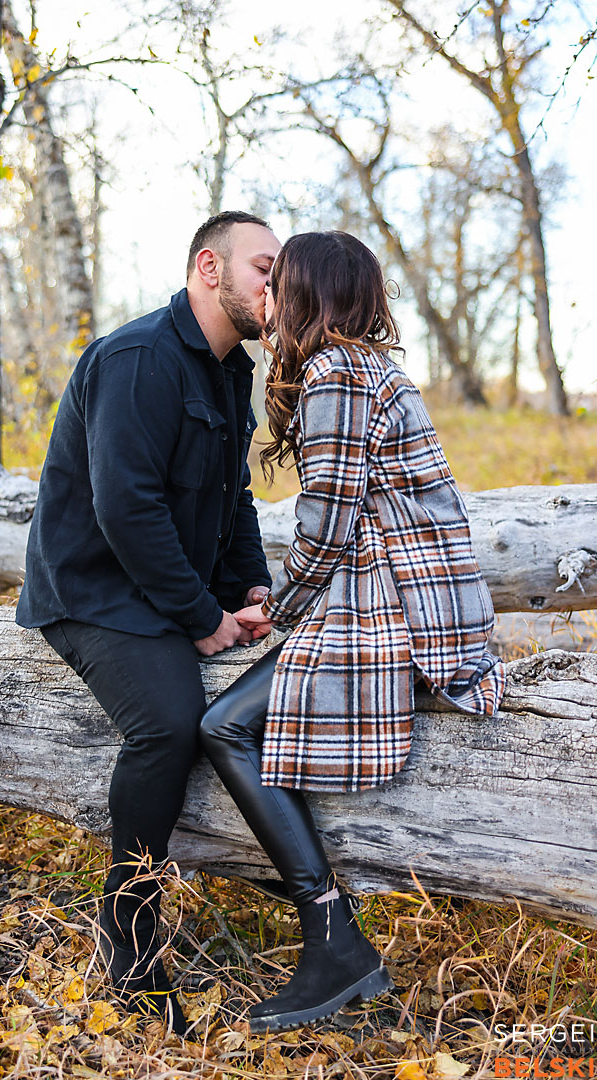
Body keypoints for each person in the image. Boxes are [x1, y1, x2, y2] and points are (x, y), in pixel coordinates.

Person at [199, 230, 506, 1034]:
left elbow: (329, 527)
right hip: (409, 600)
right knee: (243, 714)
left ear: (305, 293)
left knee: (224, 725)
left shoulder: (336, 373)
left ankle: (333, 938)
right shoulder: (367, 367)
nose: (265, 295)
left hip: (399, 611)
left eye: (277, 282)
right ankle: (326, 928)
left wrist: (278, 611)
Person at [15, 210, 282, 1034]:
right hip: (92, 591)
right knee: (169, 723)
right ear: (209, 267)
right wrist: (201, 617)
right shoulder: (138, 358)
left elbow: (234, 498)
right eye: (264, 269)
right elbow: (125, 508)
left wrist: (252, 590)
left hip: (162, 587)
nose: (276, 289)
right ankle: (128, 945)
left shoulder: (227, 370)